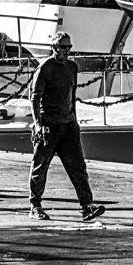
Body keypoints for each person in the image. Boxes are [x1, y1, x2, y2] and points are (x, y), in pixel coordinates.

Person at [29, 32, 106, 221]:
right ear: (54, 47)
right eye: (63, 47)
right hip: (49, 125)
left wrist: (75, 120)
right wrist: (38, 125)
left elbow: (72, 96)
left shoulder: (72, 67)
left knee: (78, 167)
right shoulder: (44, 68)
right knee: (40, 167)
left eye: (69, 47)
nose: (67, 51)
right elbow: (35, 97)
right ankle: (35, 205)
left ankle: (87, 205)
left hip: (68, 125)